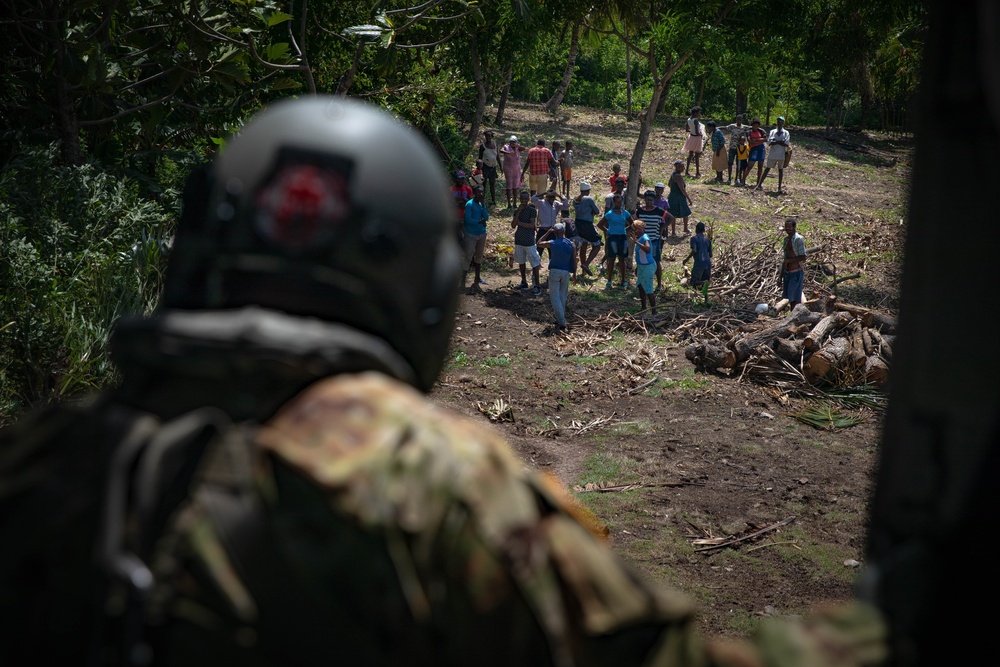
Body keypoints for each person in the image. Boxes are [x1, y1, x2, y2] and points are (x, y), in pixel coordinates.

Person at [537, 223, 576, 330]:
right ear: (563, 232)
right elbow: (574, 260)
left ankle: (562, 321)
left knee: (554, 297)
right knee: (562, 295)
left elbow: (539, 243)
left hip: (554, 271)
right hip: (566, 272)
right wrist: (575, 274)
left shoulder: (552, 242)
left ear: (555, 232)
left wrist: (547, 232)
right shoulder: (571, 244)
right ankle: (560, 318)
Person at [598, 192, 632, 289]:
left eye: (620, 202)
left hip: (622, 237)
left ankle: (623, 280)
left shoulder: (625, 213)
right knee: (611, 258)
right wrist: (607, 230)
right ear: (614, 202)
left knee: (622, 259)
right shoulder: (610, 214)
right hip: (612, 237)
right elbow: (600, 224)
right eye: (617, 202)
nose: (619, 204)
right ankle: (609, 280)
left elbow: (632, 223)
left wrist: (626, 230)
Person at [511, 190, 542, 295]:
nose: (523, 201)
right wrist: (518, 212)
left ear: (528, 199)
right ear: (519, 199)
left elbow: (531, 225)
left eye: (525, 199)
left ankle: (537, 285)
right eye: (522, 199)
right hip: (519, 240)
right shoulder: (517, 210)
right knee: (521, 262)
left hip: (529, 240)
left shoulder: (532, 210)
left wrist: (519, 222)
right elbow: (513, 225)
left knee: (535, 263)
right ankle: (524, 282)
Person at [634, 190, 667, 292]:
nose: (649, 202)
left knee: (656, 261)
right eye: (647, 200)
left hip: (654, 240)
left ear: (654, 200)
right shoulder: (640, 211)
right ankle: (642, 283)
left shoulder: (659, 210)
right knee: (641, 261)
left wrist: (662, 228)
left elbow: (671, 218)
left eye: (651, 200)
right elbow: (636, 223)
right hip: (642, 240)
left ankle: (659, 284)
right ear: (645, 200)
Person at [572, 181, 603, 276]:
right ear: (587, 191)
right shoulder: (589, 199)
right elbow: (597, 211)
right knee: (597, 245)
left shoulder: (575, 199)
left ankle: (583, 272)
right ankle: (586, 264)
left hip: (577, 224)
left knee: (583, 247)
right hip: (587, 224)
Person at [462, 185, 490, 288]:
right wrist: (479, 221)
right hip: (471, 234)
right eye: (478, 192)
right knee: (468, 256)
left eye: (481, 192)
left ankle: (477, 277)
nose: (480, 194)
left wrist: (483, 206)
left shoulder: (481, 204)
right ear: (474, 193)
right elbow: (467, 220)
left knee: (479, 256)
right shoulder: (469, 204)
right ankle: (463, 281)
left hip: (481, 233)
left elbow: (486, 217)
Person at [756, 116, 791, 193]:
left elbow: (786, 143)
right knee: (767, 169)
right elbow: (769, 142)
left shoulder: (786, 133)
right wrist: (780, 142)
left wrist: (776, 142)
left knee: (780, 170)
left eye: (781, 122)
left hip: (781, 154)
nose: (780, 123)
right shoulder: (773, 131)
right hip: (773, 153)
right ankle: (759, 185)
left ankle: (779, 188)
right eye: (779, 121)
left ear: (783, 123)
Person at [629, 219, 657, 315]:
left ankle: (654, 311)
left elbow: (648, 250)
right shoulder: (640, 238)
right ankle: (644, 308)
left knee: (649, 289)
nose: (634, 231)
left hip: (648, 266)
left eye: (636, 229)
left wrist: (636, 242)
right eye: (633, 230)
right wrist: (637, 267)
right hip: (642, 266)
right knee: (641, 286)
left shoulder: (645, 238)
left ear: (641, 229)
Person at [683, 221, 713, 304]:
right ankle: (706, 299)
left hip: (699, 262)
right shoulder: (707, 240)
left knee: (693, 282)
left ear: (696, 229)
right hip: (707, 262)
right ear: (703, 230)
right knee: (706, 281)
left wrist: (687, 259)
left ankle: (692, 299)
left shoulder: (694, 239)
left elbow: (694, 250)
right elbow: (710, 254)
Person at [781, 217, 806, 308]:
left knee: (795, 299)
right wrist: (780, 277)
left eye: (789, 227)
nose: (788, 229)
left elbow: (803, 257)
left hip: (796, 273)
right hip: (787, 273)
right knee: (790, 298)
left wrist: (789, 261)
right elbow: (785, 259)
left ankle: (795, 318)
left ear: (794, 227)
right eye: (786, 227)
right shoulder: (786, 240)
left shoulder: (798, 239)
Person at [667, 159, 693, 236]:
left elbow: (669, 184)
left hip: (672, 196)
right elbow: (682, 189)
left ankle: (673, 232)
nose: (683, 168)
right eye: (682, 167)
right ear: (677, 167)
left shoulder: (673, 174)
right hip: (679, 197)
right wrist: (689, 199)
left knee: (673, 213)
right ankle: (685, 228)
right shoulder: (678, 177)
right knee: (686, 212)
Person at [500, 135, 524, 207]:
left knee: (515, 186)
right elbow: (501, 150)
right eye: (511, 142)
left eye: (513, 142)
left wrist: (517, 146)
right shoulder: (506, 147)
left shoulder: (517, 148)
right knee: (509, 186)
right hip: (508, 169)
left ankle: (514, 203)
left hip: (516, 169)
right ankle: (509, 204)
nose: (512, 144)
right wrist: (508, 153)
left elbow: (524, 148)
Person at [724, 114, 748, 184]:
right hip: (732, 147)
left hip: (740, 148)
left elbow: (753, 127)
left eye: (740, 119)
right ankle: (729, 179)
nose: (739, 121)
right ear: (736, 120)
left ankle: (736, 179)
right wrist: (716, 127)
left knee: (739, 164)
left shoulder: (744, 127)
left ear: (742, 120)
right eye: (737, 119)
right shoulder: (732, 126)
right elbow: (725, 128)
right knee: (730, 163)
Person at [742, 118, 767, 187]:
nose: (756, 127)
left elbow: (765, 139)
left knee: (760, 166)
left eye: (757, 126)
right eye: (754, 126)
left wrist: (756, 140)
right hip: (753, 149)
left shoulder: (761, 131)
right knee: (750, 166)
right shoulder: (749, 132)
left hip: (761, 149)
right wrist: (759, 140)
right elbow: (750, 141)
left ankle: (758, 183)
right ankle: (743, 180)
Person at [478, 129, 500, 204]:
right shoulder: (482, 146)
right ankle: (482, 199)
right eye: (486, 136)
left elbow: (498, 156)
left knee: (492, 183)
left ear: (491, 136)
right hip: (485, 167)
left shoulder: (495, 145)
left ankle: (493, 200)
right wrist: (479, 168)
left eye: (489, 136)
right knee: (484, 183)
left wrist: (500, 166)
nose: (488, 137)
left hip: (493, 167)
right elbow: (480, 158)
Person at [683, 106, 703, 178]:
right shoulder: (696, 121)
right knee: (697, 156)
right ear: (695, 113)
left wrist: (692, 131)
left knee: (690, 155)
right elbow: (697, 132)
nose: (699, 114)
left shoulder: (689, 119)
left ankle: (686, 171)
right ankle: (697, 172)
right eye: (698, 113)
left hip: (691, 137)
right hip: (697, 138)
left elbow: (687, 129)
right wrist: (701, 134)